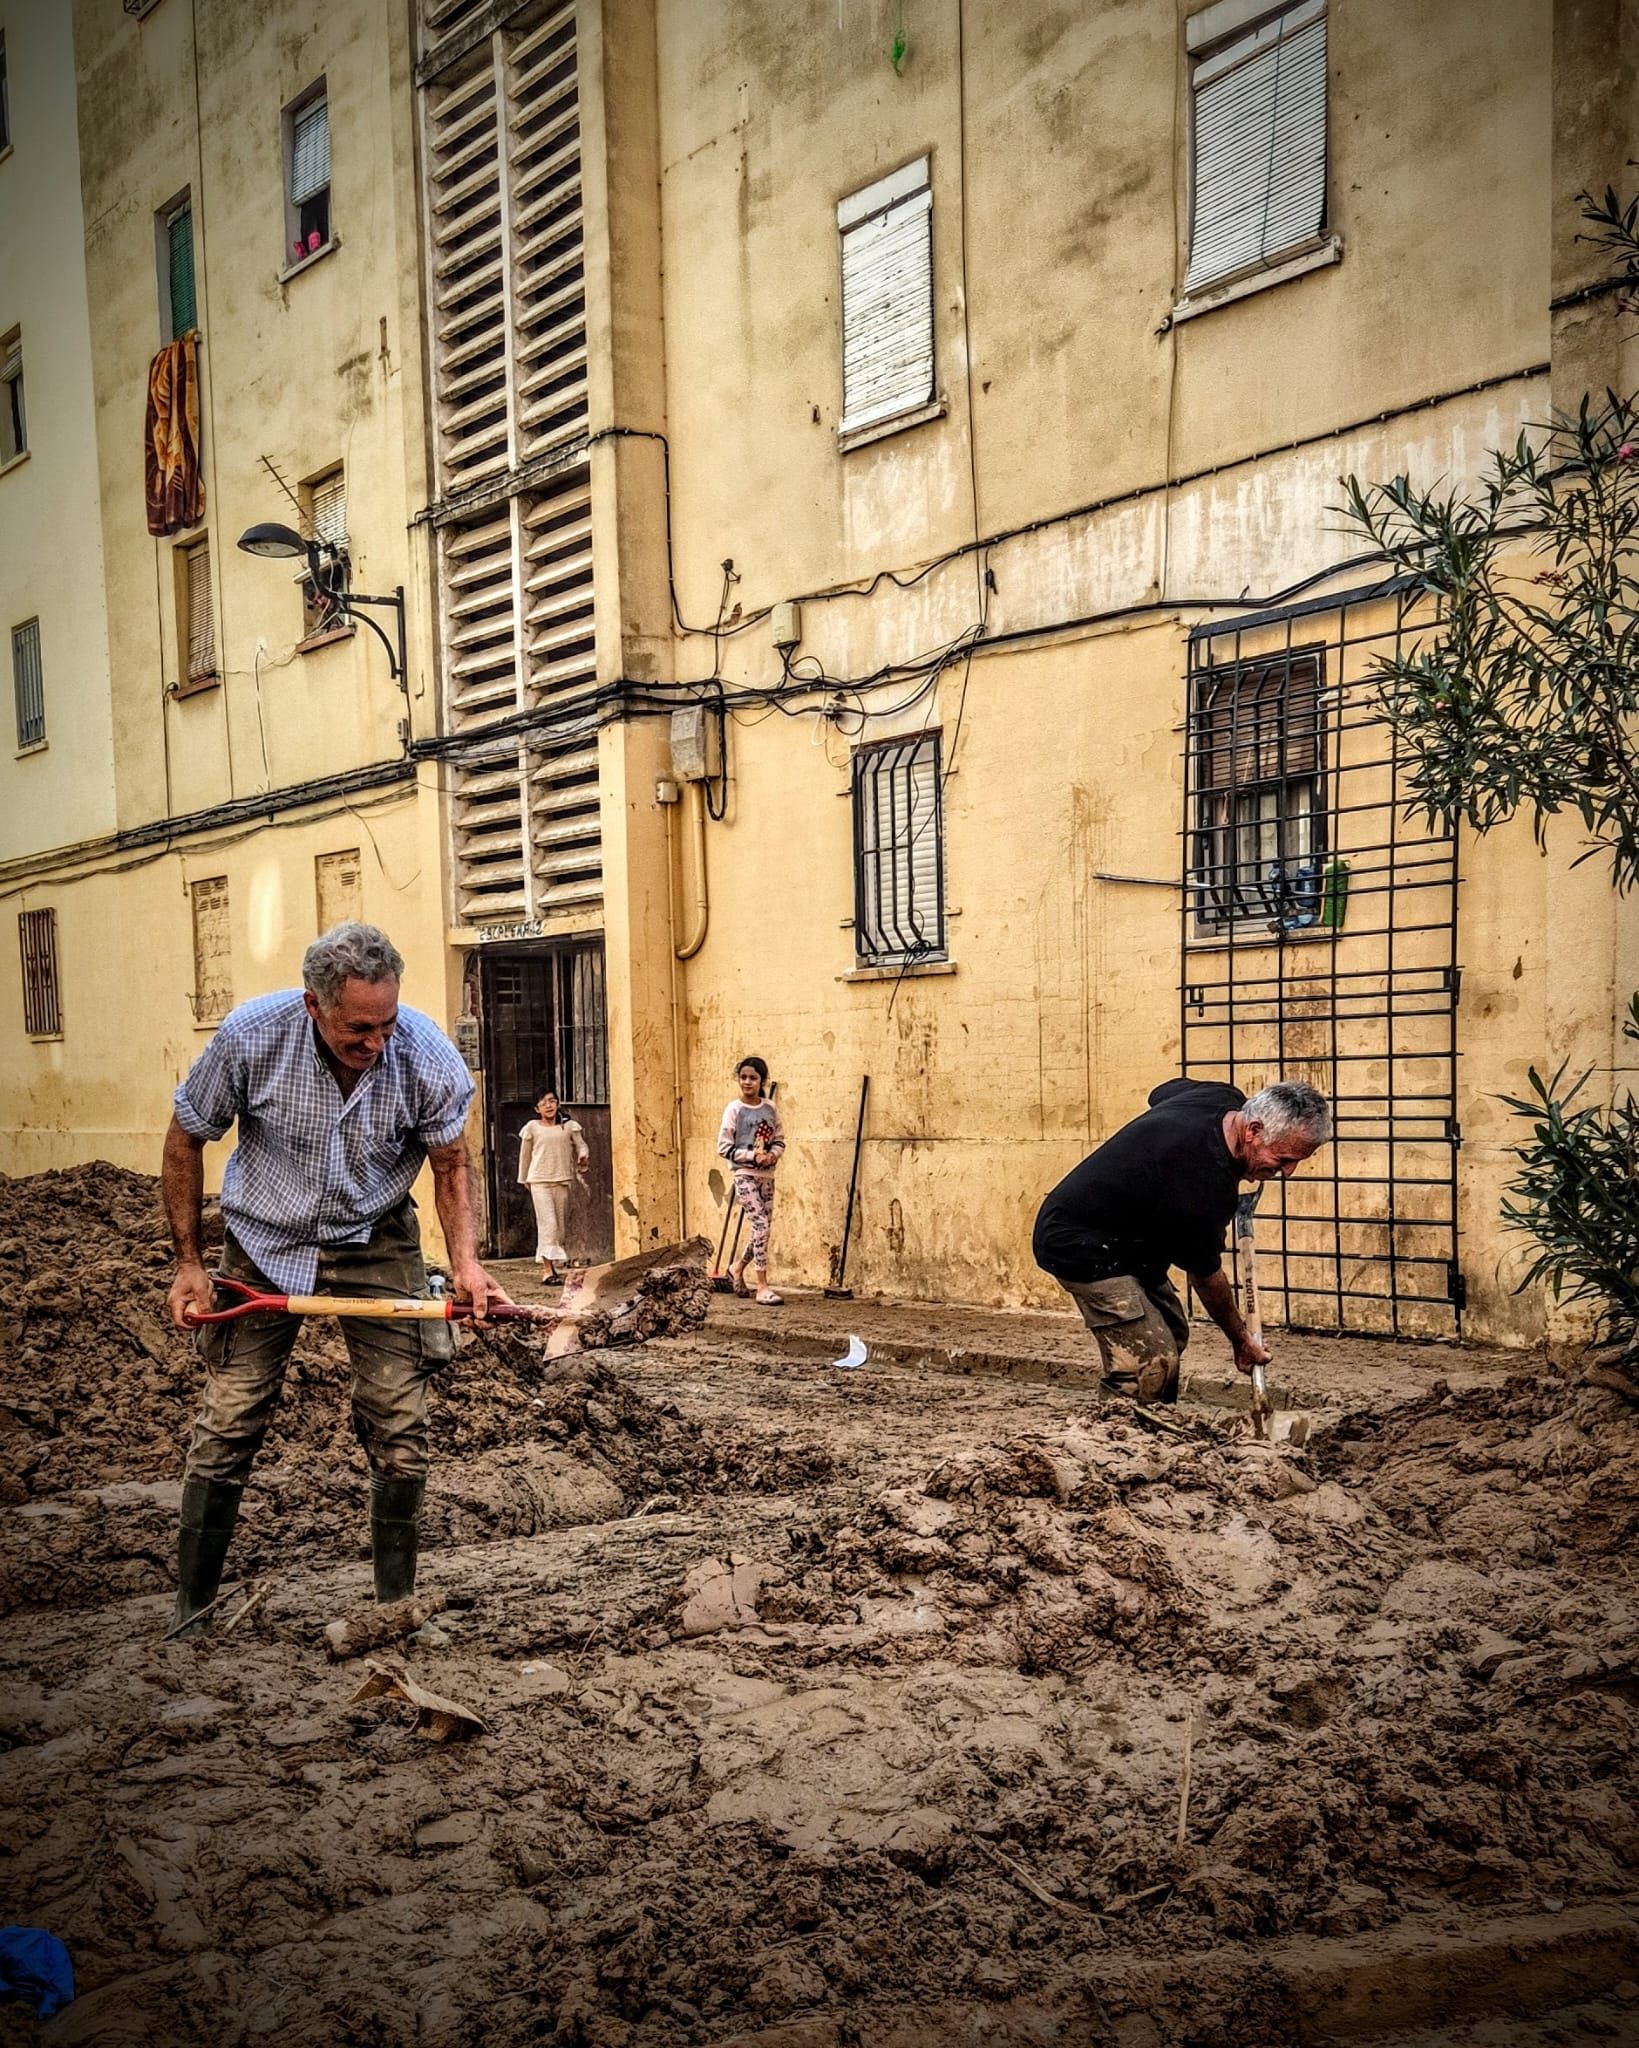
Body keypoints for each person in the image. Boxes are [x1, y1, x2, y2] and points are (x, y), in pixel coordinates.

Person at [161, 921, 510, 1633]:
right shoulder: (250, 1038)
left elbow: (450, 1167)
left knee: (399, 1422)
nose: (377, 1043)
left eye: (386, 1023)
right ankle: (190, 1612)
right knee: (231, 1417)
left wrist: (468, 1264)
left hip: (374, 1239)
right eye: (358, 1029)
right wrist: (190, 1263)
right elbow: (185, 1135)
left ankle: (393, 1609)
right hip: (262, 1241)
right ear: (313, 1005)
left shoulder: (426, 1057)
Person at [1032, 1078, 1331, 1403]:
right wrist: (1241, 1340)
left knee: (1172, 1330)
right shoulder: (1202, 1185)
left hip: (1132, 1237)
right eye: (1284, 1159)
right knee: (1150, 1361)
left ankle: (1157, 1425)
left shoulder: (1223, 1098)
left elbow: (1160, 1092)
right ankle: (1117, 1436)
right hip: (1079, 1243)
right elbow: (1206, 1279)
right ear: (1253, 1130)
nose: (1289, 1172)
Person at [717, 1055, 786, 1305]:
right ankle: (762, 1286)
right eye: (743, 1077)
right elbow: (723, 1147)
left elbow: (779, 1139)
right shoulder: (734, 1109)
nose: (747, 1082)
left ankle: (737, 1267)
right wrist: (751, 1157)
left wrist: (771, 1155)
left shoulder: (770, 1108)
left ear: (761, 1081)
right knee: (761, 1226)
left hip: (767, 1175)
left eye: (753, 1078)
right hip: (744, 1175)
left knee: (762, 1229)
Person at [517, 1089, 589, 1285]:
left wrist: (583, 1156)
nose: (549, 1105)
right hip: (539, 1180)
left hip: (562, 1180)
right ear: (537, 1108)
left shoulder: (569, 1126)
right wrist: (523, 1179)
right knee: (548, 1224)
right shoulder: (532, 1127)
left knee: (559, 1228)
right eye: (544, 1103)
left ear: (557, 1103)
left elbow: (581, 1145)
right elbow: (525, 1155)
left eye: (552, 1101)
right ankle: (547, 1271)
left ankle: (553, 1268)